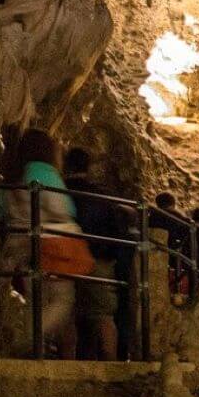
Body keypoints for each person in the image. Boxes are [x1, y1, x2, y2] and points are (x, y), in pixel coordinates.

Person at [3, 130, 81, 358]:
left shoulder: (18, 172)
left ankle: (35, 346)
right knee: (61, 299)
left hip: (20, 241)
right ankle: (27, 339)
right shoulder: (43, 171)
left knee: (36, 299)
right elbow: (60, 208)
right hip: (48, 242)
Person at [62, 148, 125, 361]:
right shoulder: (101, 194)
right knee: (103, 314)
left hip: (65, 256)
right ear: (88, 167)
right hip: (98, 258)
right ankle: (112, 362)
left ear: (67, 165)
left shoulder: (60, 191)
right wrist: (111, 255)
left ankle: (66, 362)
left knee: (67, 312)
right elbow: (115, 227)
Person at [148, 192, 190, 294]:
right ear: (173, 203)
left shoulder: (150, 217)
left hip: (152, 254)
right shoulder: (182, 219)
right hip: (175, 254)